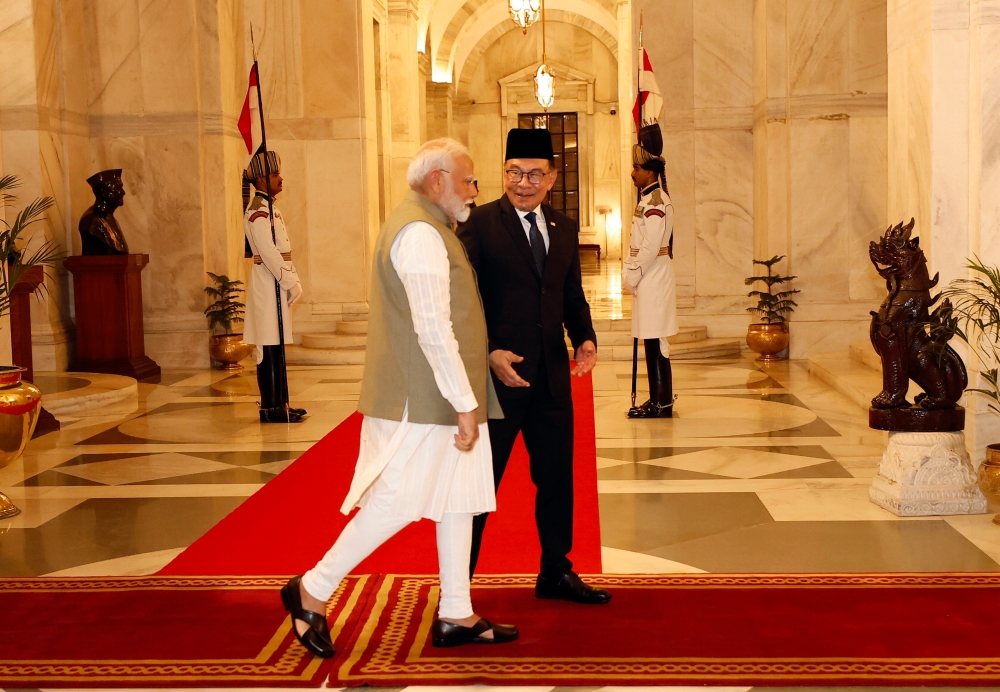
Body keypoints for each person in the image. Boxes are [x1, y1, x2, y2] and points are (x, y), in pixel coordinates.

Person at [280, 138, 518, 659]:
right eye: (468, 179)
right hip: (423, 397)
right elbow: (432, 327)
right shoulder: (419, 233)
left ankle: (456, 611)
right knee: (394, 500)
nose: (475, 191)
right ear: (437, 181)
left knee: (459, 498)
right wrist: (464, 402)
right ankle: (312, 588)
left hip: (444, 390)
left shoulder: (433, 227)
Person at [458, 128, 610, 605]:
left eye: (533, 174)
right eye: (513, 173)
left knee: (557, 479)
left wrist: (583, 336)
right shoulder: (479, 225)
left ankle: (555, 571)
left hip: (549, 380)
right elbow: (462, 300)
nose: (522, 183)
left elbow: (570, 294)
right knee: (480, 486)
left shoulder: (563, 229)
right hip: (497, 380)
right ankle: (457, 587)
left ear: (552, 177)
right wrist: (488, 352)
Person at [243, 151, 307, 423]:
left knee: (277, 345)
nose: (280, 178)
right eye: (274, 174)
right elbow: (268, 252)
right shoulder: (258, 211)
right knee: (268, 345)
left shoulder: (270, 208)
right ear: (260, 179)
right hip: (269, 281)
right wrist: (289, 280)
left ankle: (281, 403)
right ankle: (270, 409)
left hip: (276, 280)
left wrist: (292, 279)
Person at [623, 121, 678, 418]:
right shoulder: (647, 200)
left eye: (637, 168)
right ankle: (658, 398)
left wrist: (631, 273)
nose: (633, 174)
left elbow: (650, 246)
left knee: (657, 341)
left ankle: (662, 402)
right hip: (649, 278)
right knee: (651, 338)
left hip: (652, 277)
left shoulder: (656, 202)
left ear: (650, 172)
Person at [79, 169, 129, 255]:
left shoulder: (109, 218)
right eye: (117, 187)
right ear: (103, 190)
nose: (123, 192)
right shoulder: (91, 221)